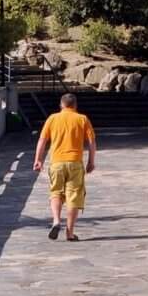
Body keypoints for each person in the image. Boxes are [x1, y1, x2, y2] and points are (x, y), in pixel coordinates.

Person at [33, 92, 96, 241]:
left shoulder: (52, 118)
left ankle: (56, 220)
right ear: (75, 105)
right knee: (73, 196)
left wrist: (38, 159)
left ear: (61, 105)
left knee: (56, 192)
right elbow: (91, 142)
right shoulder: (82, 119)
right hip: (75, 163)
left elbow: (42, 140)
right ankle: (70, 233)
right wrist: (91, 161)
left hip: (56, 162)